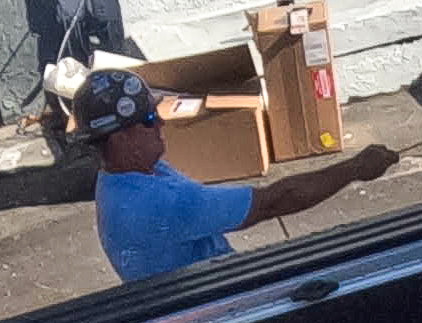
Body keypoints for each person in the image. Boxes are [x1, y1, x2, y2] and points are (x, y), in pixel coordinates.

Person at [70, 67, 399, 285]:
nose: (161, 123)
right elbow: (273, 202)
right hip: (209, 307)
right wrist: (355, 169)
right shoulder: (156, 204)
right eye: (149, 118)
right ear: (119, 138)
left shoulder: (126, 175)